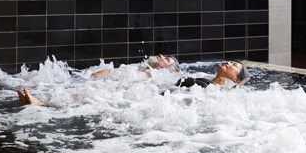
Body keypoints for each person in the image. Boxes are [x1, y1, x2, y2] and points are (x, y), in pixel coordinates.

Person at [17, 54, 180, 105]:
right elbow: (116, 71)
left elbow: (117, 73)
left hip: (117, 93)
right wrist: (93, 76)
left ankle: (42, 104)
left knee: (84, 96)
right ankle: (41, 102)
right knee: (80, 93)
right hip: (111, 86)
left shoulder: (151, 75)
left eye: (166, 59)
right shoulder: (144, 69)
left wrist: (97, 77)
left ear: (169, 68)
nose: (161, 56)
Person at [175, 61, 250, 89]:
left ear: (236, 80)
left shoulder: (218, 93)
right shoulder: (203, 79)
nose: (228, 62)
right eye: (231, 62)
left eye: (234, 65)